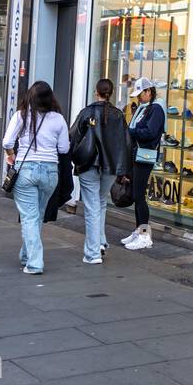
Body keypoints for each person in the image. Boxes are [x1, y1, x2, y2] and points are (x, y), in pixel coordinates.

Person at [2, 81, 70, 274]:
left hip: (27, 171)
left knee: (30, 217)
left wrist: (11, 154)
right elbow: (64, 148)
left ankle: (34, 263)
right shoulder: (58, 119)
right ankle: (26, 255)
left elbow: (7, 141)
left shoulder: (21, 115)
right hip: (50, 172)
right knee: (37, 216)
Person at [69, 78, 131, 264]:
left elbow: (72, 136)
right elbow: (126, 143)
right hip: (111, 166)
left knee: (92, 206)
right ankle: (101, 242)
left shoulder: (87, 112)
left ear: (96, 92)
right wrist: (124, 169)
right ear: (110, 93)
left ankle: (93, 253)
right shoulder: (118, 115)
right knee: (100, 201)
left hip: (89, 164)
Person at [120, 77, 165, 250]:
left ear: (148, 92)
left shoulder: (156, 109)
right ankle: (140, 231)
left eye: (140, 94)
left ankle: (145, 235)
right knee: (137, 195)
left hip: (144, 156)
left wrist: (132, 131)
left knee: (139, 196)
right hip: (138, 155)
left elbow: (150, 132)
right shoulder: (147, 108)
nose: (138, 99)